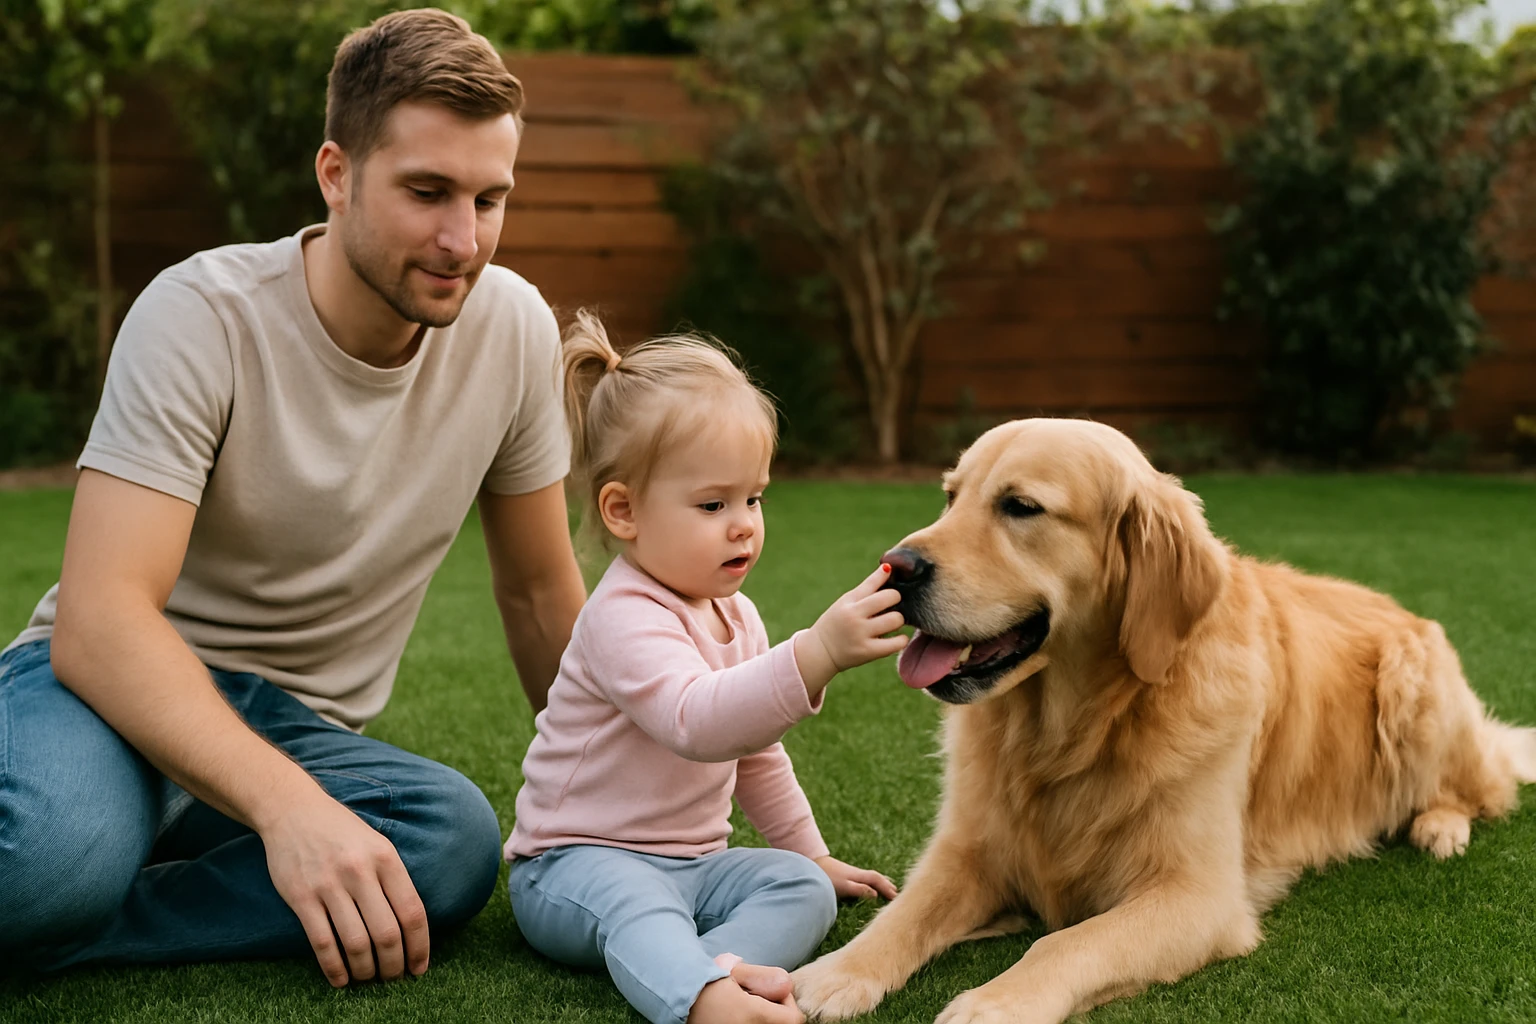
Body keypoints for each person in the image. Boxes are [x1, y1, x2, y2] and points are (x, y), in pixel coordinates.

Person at [0, 8, 586, 988]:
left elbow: (538, 595)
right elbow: (101, 626)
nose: (463, 239)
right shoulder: (199, 316)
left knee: (447, 844)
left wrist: (633, 818)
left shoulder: (514, 329)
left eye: (490, 198)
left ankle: (95, 911)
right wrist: (287, 809)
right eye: (428, 191)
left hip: (302, 726)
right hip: (108, 699)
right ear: (336, 173)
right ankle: (82, 869)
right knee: (38, 862)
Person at [505, 310, 908, 1024]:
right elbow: (695, 721)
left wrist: (810, 855)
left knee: (798, 890)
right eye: (713, 503)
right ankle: (703, 1003)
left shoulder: (736, 614)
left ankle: (715, 967)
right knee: (637, 905)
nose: (745, 522)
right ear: (624, 511)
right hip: (573, 867)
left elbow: (756, 752)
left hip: (691, 870)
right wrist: (815, 654)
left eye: (754, 497)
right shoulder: (623, 615)